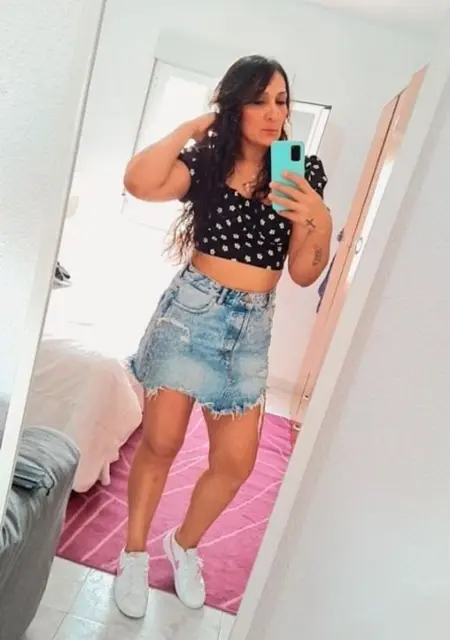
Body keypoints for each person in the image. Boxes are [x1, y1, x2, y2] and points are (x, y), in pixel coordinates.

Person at [113, 54, 332, 618]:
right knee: (161, 444)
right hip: (191, 314)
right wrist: (192, 127)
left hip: (250, 329)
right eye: (259, 101)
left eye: (281, 101)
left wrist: (319, 219)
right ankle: (133, 552)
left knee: (236, 462)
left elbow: (304, 273)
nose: (273, 113)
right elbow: (139, 182)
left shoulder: (299, 171)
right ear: (234, 106)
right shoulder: (209, 160)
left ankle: (182, 544)